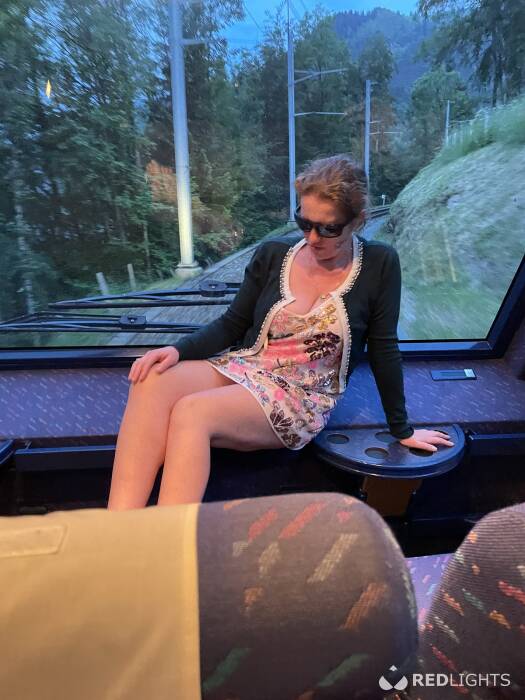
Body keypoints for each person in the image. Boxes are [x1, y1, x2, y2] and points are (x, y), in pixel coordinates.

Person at [108, 154, 453, 510]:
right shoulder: (274, 254)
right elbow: (233, 323)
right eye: (304, 222)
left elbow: (384, 349)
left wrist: (402, 429)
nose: (313, 237)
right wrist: (178, 351)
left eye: (328, 229)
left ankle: (167, 537)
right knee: (152, 380)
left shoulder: (379, 264)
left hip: (301, 394)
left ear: (358, 221)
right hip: (248, 367)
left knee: (192, 412)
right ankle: (118, 526)